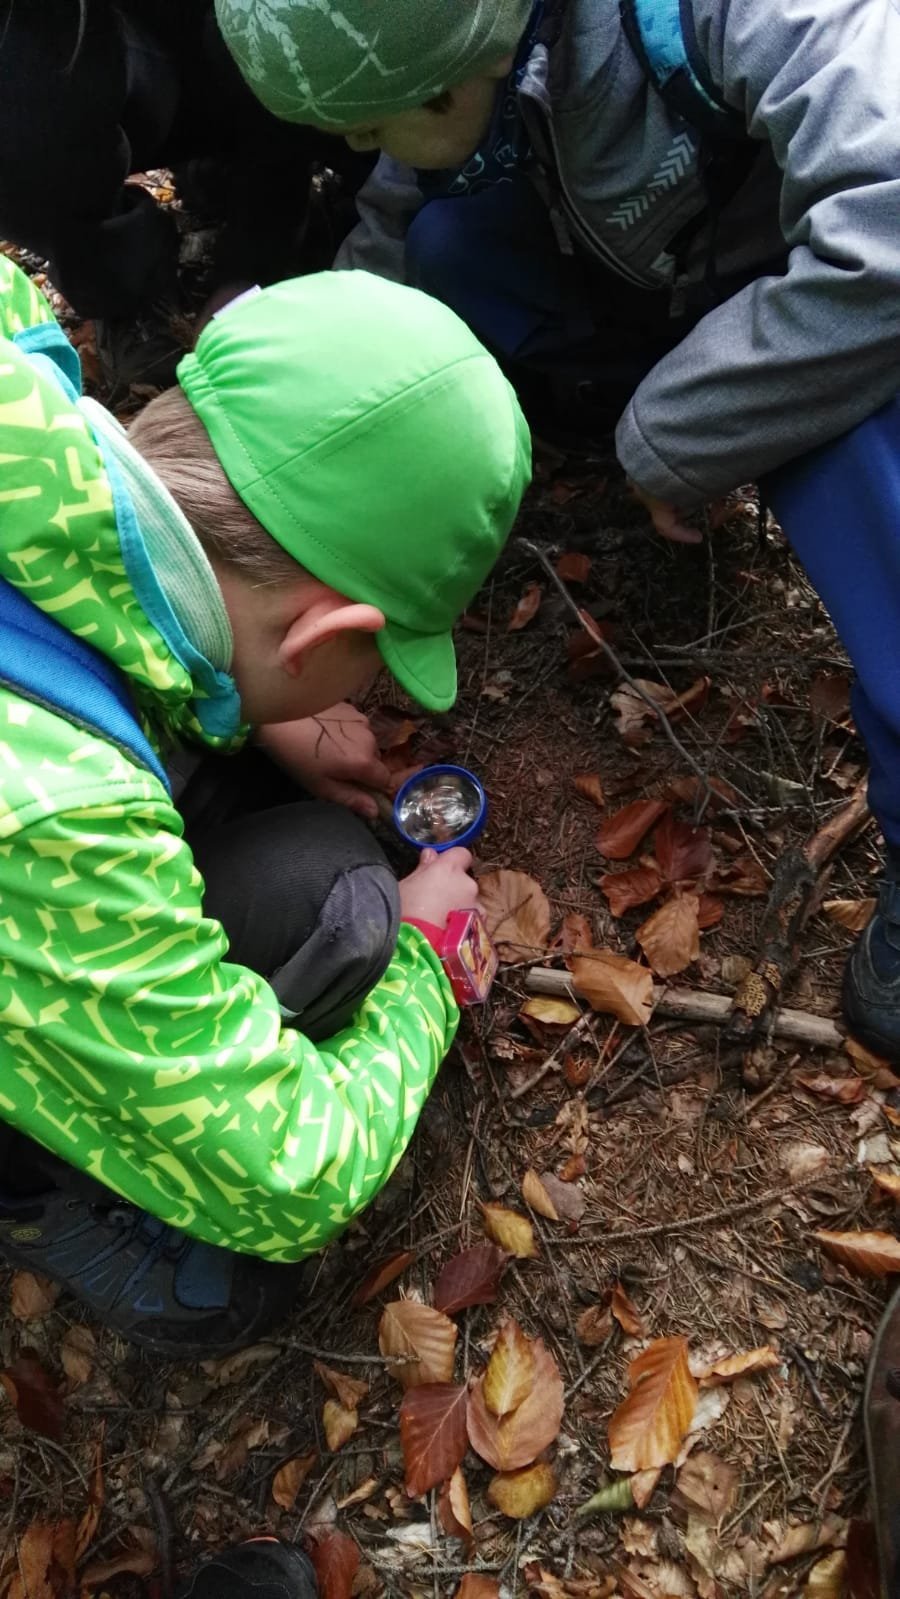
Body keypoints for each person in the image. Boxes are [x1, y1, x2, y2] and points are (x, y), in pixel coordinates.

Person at [214, 0, 900, 1060]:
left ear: (452, 78)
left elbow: (886, 227)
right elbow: (386, 246)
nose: (355, 148)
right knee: (447, 244)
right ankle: (591, 438)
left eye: (369, 125)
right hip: (658, 272)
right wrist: (253, 470)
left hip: (829, 292)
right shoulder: (465, 47)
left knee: (864, 460)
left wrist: (674, 436)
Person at [0, 257, 530, 1356]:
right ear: (323, 635)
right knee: (240, 1295)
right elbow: (294, 1175)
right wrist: (427, 966)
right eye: (373, 665)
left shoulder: (19, 340)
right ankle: (29, 1191)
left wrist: (243, 702)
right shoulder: (54, 817)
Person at [0, 1, 370, 387]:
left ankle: (292, 192)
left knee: (284, 51)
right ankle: (127, 287)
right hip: (105, 61)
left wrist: (251, 262)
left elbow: (272, 35)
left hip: (243, 45)